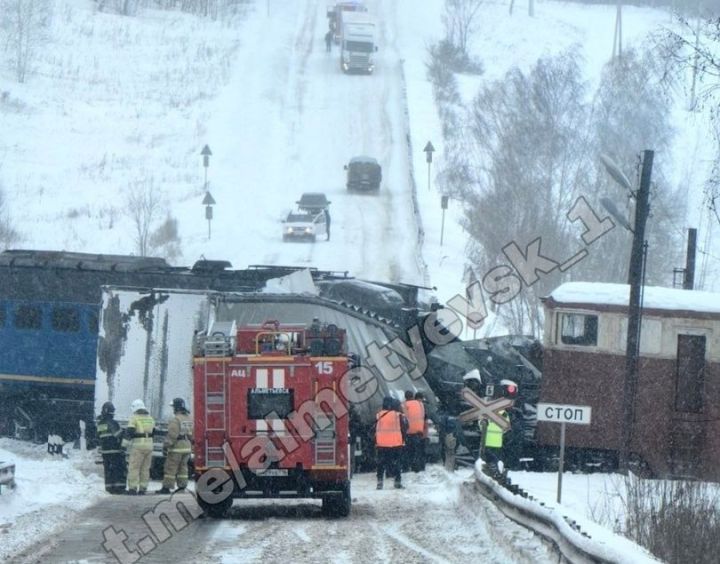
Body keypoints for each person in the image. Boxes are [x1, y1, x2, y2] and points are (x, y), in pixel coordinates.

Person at [157, 398, 193, 494]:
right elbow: (192, 434)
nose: (173, 409)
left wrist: (166, 446)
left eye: (173, 407)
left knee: (170, 468)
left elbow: (172, 435)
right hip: (187, 446)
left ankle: (166, 487)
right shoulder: (188, 418)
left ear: (176, 407)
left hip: (177, 448)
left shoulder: (175, 419)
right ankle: (182, 487)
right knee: (183, 468)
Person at [124, 399, 155, 495]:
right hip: (149, 447)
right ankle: (143, 488)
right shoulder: (150, 418)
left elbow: (129, 433)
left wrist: (123, 446)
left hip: (138, 447)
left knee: (134, 468)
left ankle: (133, 488)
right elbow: (153, 432)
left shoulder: (134, 418)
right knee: (145, 468)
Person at [375, 396, 407, 490]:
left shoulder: (379, 415)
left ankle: (380, 482)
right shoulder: (398, 415)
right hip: (395, 443)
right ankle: (397, 482)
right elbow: (405, 427)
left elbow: (375, 429)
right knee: (396, 463)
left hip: (381, 444)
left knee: (380, 463)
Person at [96, 401, 126, 494]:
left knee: (108, 470)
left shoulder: (100, 424)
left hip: (105, 451)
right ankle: (119, 488)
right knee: (117, 469)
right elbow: (118, 435)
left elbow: (98, 436)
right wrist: (124, 432)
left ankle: (109, 488)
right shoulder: (112, 423)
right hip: (115, 450)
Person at [483, 410, 510, 476]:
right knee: (497, 460)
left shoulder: (485, 411)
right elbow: (507, 427)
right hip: (497, 442)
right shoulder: (504, 413)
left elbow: (481, 425)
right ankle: (497, 473)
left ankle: (490, 473)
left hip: (487, 441)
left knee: (488, 460)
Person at [403, 391, 425, 472]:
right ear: (413, 396)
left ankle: (406, 468)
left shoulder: (405, 404)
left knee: (408, 451)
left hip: (409, 431)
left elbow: (403, 417)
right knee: (417, 451)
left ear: (406, 397)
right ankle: (417, 468)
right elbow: (423, 416)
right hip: (419, 431)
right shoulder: (420, 404)